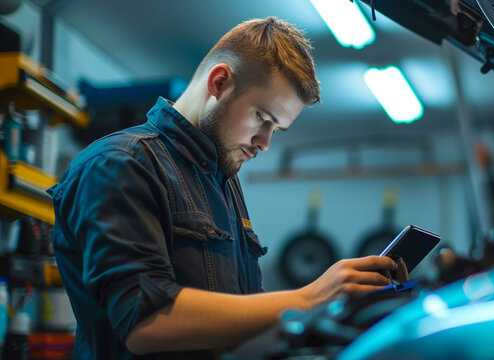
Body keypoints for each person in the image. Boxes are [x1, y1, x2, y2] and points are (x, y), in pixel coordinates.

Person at [48, 16, 406, 359]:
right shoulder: (120, 164)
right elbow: (146, 322)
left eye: (276, 130)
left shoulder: (222, 178)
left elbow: (241, 321)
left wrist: (342, 306)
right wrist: (308, 298)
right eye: (262, 119)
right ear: (219, 82)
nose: (265, 143)